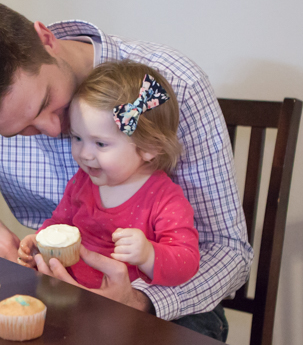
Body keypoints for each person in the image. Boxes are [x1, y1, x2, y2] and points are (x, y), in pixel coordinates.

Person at [0, 0, 253, 340]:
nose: (51, 130)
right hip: (59, 295)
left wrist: (140, 299)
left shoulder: (170, 86)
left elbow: (228, 250)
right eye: (19, 131)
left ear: (46, 39)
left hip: (166, 309)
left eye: (46, 102)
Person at [17, 61, 200, 289]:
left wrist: (148, 255)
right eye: (77, 138)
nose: (84, 154)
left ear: (148, 147)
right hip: (70, 295)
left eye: (101, 143)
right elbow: (60, 222)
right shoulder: (82, 182)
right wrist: (42, 240)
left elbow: (187, 262)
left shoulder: (165, 199)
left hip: (124, 312)